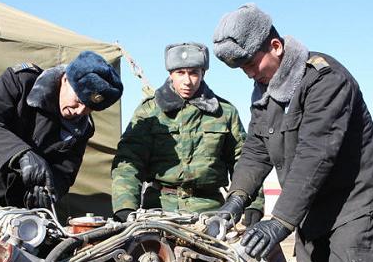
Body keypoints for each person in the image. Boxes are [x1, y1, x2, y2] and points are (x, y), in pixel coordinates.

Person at [211, 3, 373, 262]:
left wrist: (278, 223)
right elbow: (255, 150)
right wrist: (234, 202)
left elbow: (316, 155)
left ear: (275, 47)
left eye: (250, 63)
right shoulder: (266, 91)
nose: (249, 74)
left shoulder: (326, 79)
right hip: (309, 214)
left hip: (350, 211)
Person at [0, 51, 123, 226]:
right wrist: (20, 154)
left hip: (19, 207)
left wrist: (49, 191)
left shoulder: (82, 127)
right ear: (65, 79)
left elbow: (65, 172)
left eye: (90, 108)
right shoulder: (21, 80)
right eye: (79, 101)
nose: (80, 111)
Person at [111, 42, 264, 223]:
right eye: (180, 73)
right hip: (158, 211)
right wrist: (125, 206)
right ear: (170, 74)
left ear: (203, 74)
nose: (187, 81)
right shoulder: (149, 111)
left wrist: (253, 204)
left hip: (210, 212)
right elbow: (128, 161)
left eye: (193, 73)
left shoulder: (224, 112)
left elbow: (244, 161)